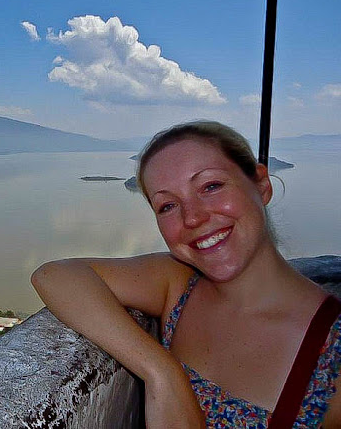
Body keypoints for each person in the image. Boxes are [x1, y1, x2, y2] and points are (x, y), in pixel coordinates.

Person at [31, 121, 341, 428]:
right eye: (167, 206)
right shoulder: (178, 283)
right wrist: (162, 371)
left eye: (211, 186)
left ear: (261, 186)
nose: (192, 217)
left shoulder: (332, 352)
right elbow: (55, 275)